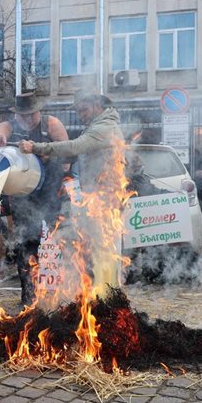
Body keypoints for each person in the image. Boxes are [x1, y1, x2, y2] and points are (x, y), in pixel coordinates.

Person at [20, 89, 125, 291]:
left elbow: (74, 147)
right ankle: (99, 294)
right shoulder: (98, 126)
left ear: (97, 106)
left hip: (104, 200)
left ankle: (106, 295)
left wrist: (36, 147)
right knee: (93, 249)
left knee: (103, 250)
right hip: (96, 198)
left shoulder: (103, 128)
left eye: (83, 110)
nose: (81, 115)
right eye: (78, 111)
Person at [0, 92, 69, 305]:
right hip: (23, 194)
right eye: (23, 115)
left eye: (31, 114)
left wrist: (47, 154)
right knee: (24, 242)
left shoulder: (51, 124)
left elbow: (67, 153)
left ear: (38, 110)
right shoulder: (10, 126)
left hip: (50, 191)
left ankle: (56, 292)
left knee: (51, 240)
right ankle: (28, 295)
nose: (28, 119)